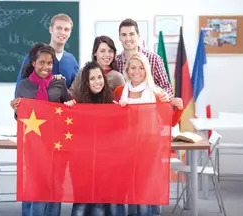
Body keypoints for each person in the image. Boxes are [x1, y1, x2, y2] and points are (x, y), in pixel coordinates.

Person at [113, 53, 183, 216]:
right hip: (127, 151)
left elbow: (168, 123)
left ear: (147, 70)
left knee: (145, 197)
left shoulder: (157, 93)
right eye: (133, 68)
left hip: (150, 151)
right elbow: (113, 120)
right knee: (132, 196)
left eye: (141, 68)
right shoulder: (119, 92)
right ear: (127, 70)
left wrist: (178, 108)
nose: (137, 71)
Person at [15, 43, 70, 216]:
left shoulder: (59, 83)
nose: (46, 67)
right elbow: (20, 117)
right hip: (34, 144)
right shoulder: (23, 85)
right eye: (42, 63)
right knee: (38, 188)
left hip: (56, 143)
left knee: (55, 187)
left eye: (49, 63)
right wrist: (15, 110)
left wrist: (70, 105)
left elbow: (68, 108)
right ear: (33, 63)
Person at [65, 61, 115, 216]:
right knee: (81, 203)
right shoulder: (77, 102)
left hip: (103, 163)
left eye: (99, 77)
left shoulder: (110, 101)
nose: (97, 81)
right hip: (81, 163)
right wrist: (67, 108)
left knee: (99, 205)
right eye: (92, 78)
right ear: (86, 82)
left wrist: (122, 109)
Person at [11, 13, 79, 109]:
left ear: (70, 33)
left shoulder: (71, 61)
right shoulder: (34, 56)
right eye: (59, 28)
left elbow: (76, 90)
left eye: (66, 29)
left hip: (63, 117)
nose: (62, 32)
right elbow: (20, 88)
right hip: (36, 115)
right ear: (51, 29)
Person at [116, 18, 173, 101]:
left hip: (150, 110)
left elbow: (167, 87)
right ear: (120, 38)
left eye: (131, 34)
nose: (128, 38)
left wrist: (165, 95)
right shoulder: (116, 61)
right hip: (125, 111)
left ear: (138, 36)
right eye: (124, 35)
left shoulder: (154, 59)